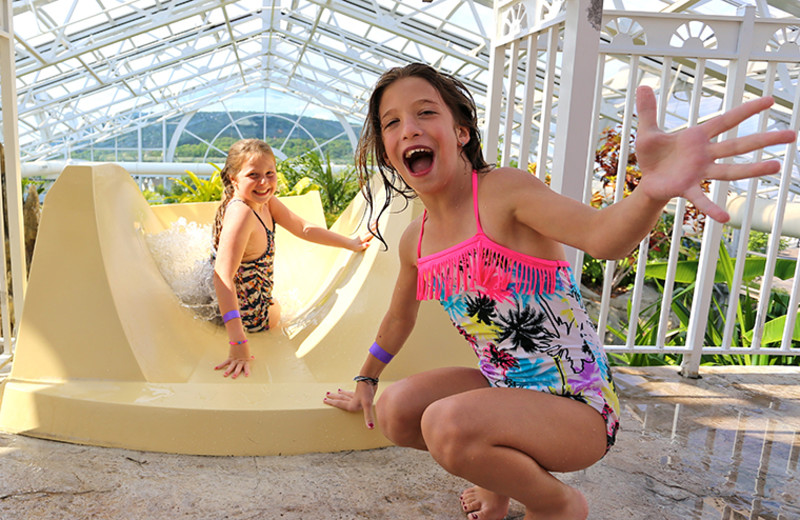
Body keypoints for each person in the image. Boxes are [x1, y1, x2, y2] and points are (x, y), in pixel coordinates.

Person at [322, 63, 796, 519]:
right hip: (504, 389)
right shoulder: (416, 239)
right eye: (392, 122)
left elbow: (602, 236)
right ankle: (500, 476)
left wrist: (651, 191)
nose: (409, 128)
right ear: (387, 152)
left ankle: (556, 505)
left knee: (446, 424)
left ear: (461, 132)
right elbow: (398, 318)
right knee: (398, 410)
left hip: (578, 408)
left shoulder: (503, 192)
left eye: (426, 112)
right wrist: (366, 380)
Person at [212, 139, 373, 379]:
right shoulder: (242, 213)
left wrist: (350, 242)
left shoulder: (264, 202)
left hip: (232, 297)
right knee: (278, 312)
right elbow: (222, 275)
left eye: (270, 173)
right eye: (253, 175)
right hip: (250, 317)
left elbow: (303, 228)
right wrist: (238, 343)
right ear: (234, 178)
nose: (264, 182)